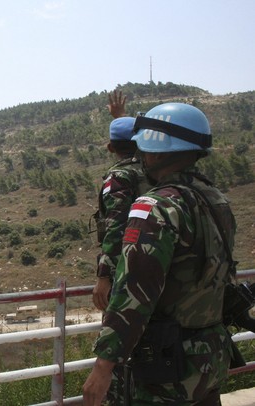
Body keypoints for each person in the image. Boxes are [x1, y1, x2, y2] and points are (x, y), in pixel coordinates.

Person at [83, 102, 236, 405]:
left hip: (166, 366)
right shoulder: (215, 199)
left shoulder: (155, 207)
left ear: (156, 151)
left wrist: (103, 367)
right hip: (211, 355)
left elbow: (134, 292)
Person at [91, 91, 150, 405]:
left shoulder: (119, 177)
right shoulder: (153, 171)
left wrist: (104, 276)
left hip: (124, 278)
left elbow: (116, 227)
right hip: (155, 273)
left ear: (110, 147)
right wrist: (121, 118)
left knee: (118, 351)